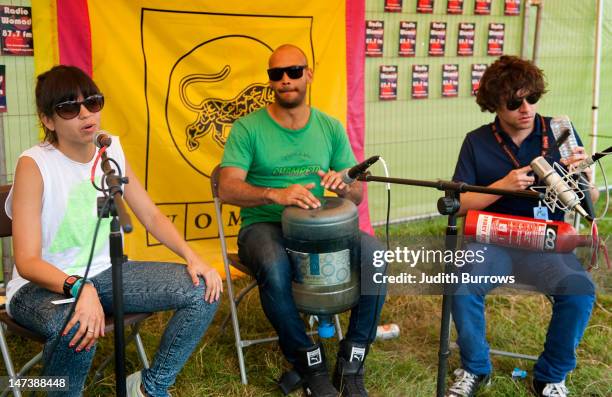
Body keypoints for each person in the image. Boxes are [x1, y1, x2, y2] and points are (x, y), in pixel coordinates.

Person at [6, 65, 223, 397]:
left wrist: (194, 258)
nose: (85, 113)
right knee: (74, 325)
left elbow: (149, 214)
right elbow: (26, 261)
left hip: (106, 272)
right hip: (39, 287)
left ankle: (150, 387)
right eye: (69, 107)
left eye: (92, 102)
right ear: (49, 121)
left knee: (202, 289)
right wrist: (79, 287)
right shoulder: (34, 164)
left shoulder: (110, 151)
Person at [219, 44, 385, 397]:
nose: (285, 80)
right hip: (265, 226)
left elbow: (355, 196)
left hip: (320, 228)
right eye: (276, 74)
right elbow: (227, 186)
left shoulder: (329, 127)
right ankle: (310, 363)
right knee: (275, 265)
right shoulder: (248, 128)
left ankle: (352, 359)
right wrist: (273, 194)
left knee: (376, 257)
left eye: (293, 71)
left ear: (308, 74)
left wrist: (344, 187)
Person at [446, 56, 597, 397]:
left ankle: (550, 377)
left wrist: (588, 182)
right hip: (493, 241)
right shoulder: (477, 141)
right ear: (494, 105)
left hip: (546, 242)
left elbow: (591, 206)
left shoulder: (560, 131)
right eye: (514, 103)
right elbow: (458, 206)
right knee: (460, 281)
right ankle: (475, 368)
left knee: (579, 290)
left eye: (532, 98)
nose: (526, 109)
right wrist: (502, 186)